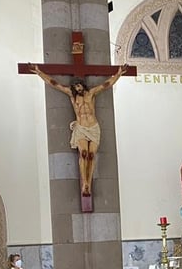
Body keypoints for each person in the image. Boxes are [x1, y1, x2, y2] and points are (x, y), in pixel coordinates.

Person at [29, 63, 127, 199]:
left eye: (79, 86)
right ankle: (84, 183)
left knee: (91, 155)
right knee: (84, 153)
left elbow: (106, 84)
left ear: (82, 85)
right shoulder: (72, 95)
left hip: (93, 128)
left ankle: (89, 183)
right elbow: (54, 83)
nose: (78, 88)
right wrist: (39, 72)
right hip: (81, 128)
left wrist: (118, 74)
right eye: (76, 87)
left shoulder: (91, 93)